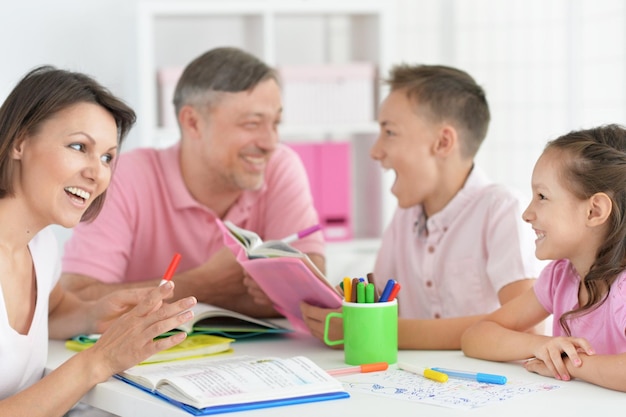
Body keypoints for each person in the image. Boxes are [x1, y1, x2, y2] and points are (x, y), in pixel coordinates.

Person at [59, 47, 324, 317]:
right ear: (193, 122)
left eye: (276, 123)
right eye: (252, 124)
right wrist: (205, 285)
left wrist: (279, 297)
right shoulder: (125, 176)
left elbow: (312, 294)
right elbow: (75, 300)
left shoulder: (280, 166)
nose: (270, 142)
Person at [299, 64, 544, 349]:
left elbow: (528, 329)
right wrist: (344, 309)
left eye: (389, 132)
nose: (375, 151)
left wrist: (376, 330)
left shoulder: (500, 209)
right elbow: (377, 301)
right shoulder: (405, 215)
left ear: (442, 142)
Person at [0, 66, 197, 416]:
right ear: (19, 141)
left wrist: (94, 315)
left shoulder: (40, 246)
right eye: (79, 147)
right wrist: (99, 360)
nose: (97, 173)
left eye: (107, 157)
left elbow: (55, 309)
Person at [461, 124, 626, 392]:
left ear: (594, 211)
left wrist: (569, 363)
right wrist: (541, 346)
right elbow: (476, 337)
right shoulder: (559, 278)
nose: (527, 213)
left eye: (542, 196)